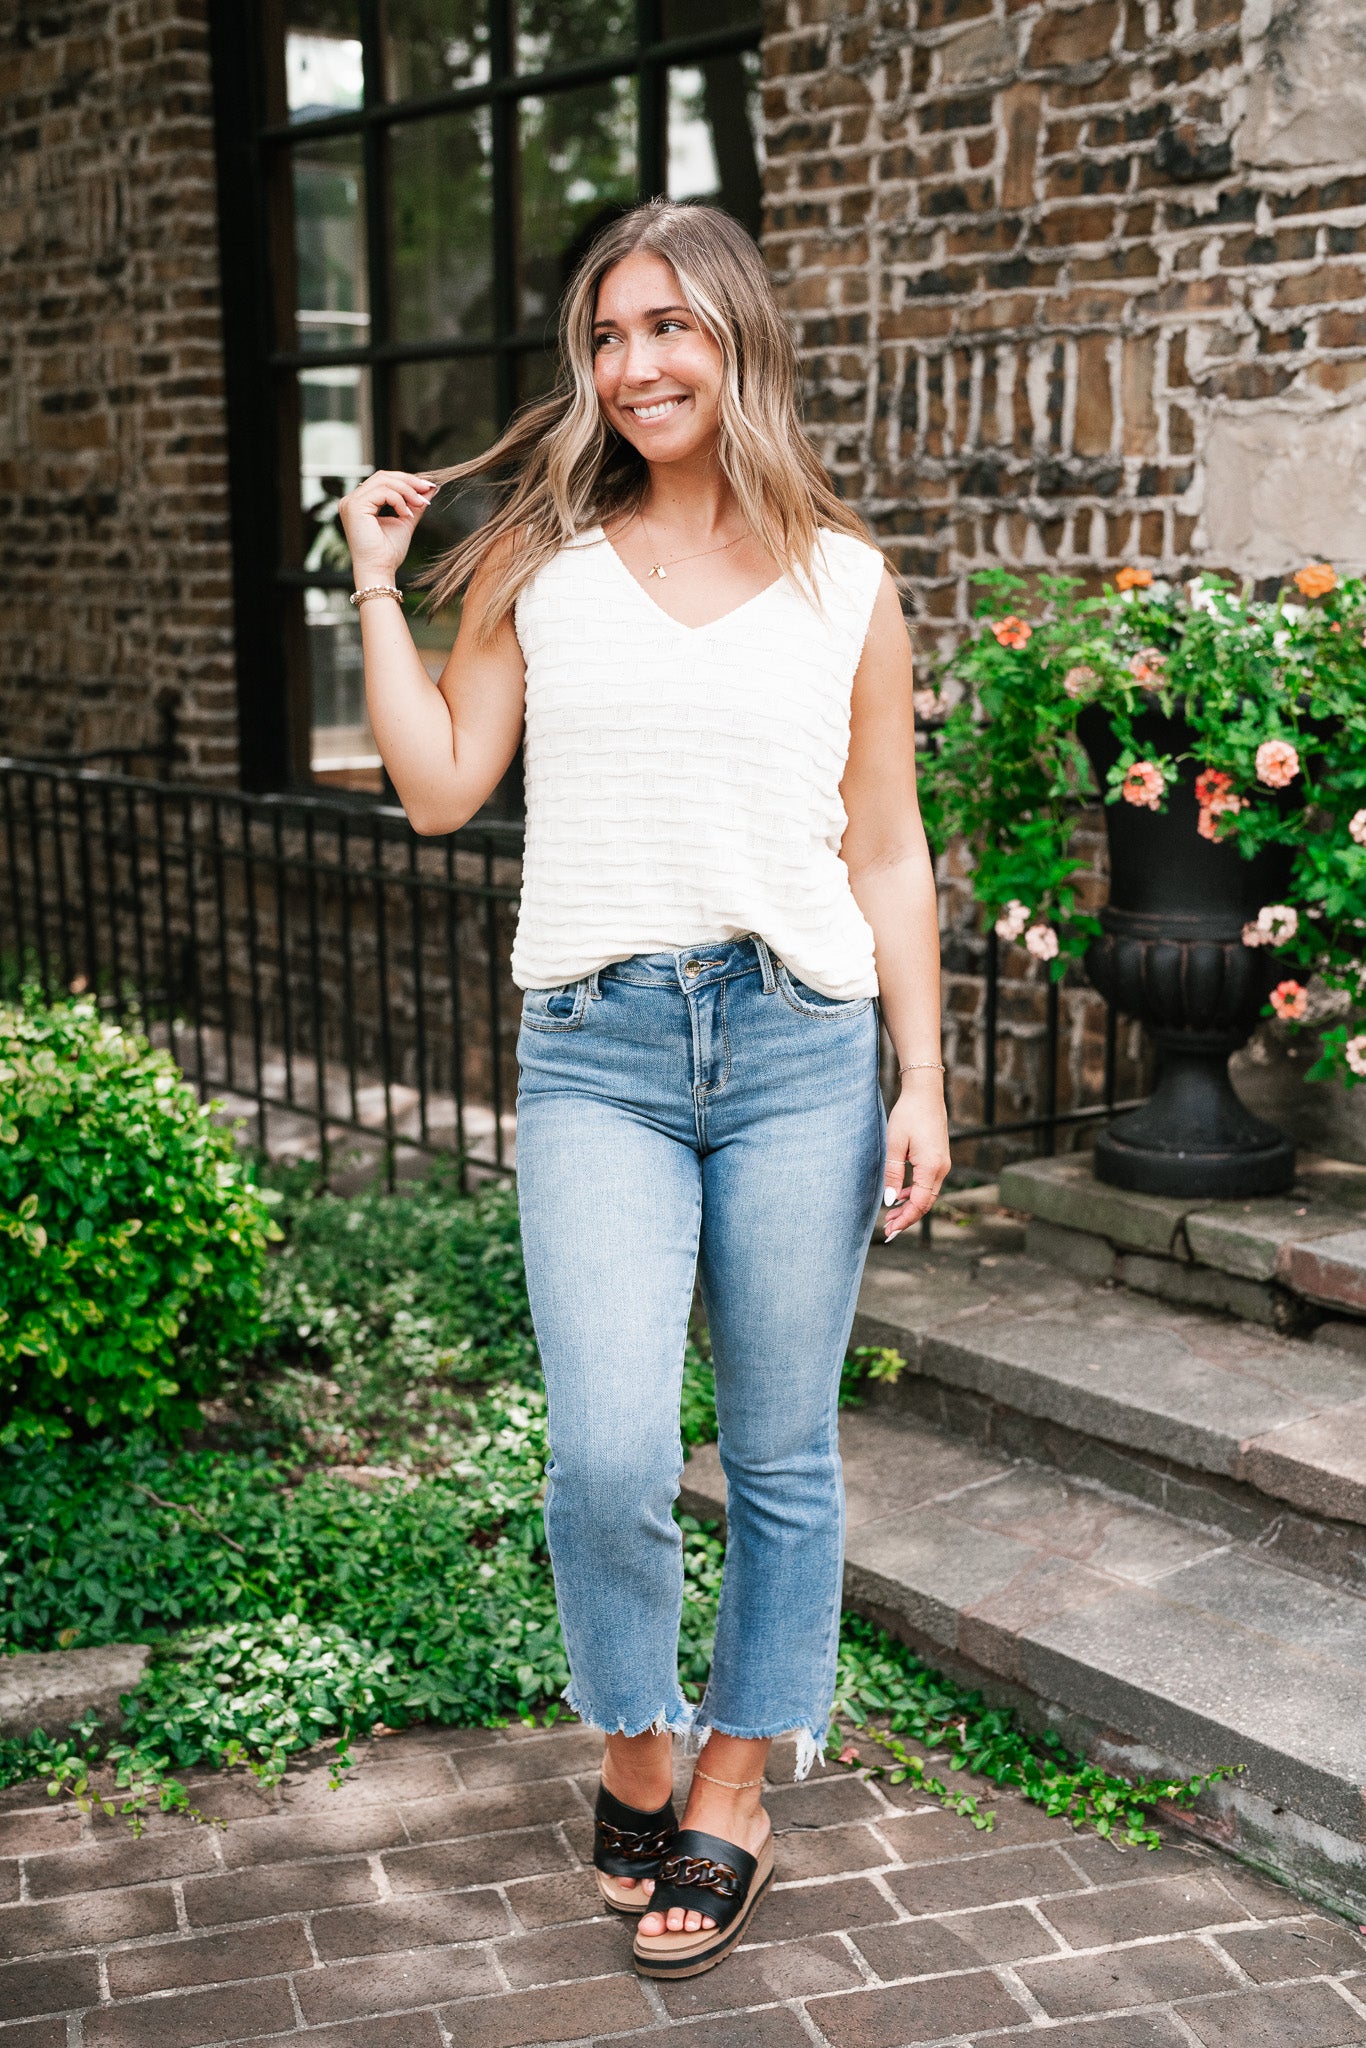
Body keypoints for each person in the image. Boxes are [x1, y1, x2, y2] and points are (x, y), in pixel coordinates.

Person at [338, 200, 949, 1981]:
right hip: (598, 1047)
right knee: (608, 1450)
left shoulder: (847, 578)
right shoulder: (543, 561)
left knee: (776, 1454)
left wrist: (920, 1077)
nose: (635, 366)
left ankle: (739, 1781)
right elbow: (445, 784)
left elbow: (889, 847)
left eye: (668, 328)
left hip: (800, 1046)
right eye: (606, 338)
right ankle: (634, 1743)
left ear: (735, 340)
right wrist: (382, 576)